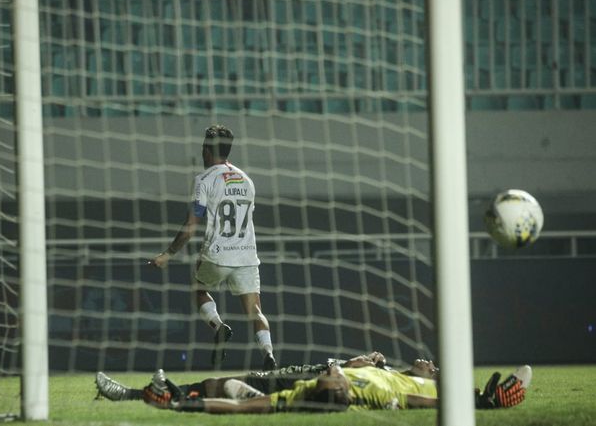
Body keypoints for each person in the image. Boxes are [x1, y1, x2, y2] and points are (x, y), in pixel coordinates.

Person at [149, 124, 276, 370]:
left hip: (218, 255)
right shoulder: (246, 180)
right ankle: (269, 355)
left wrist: (168, 254)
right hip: (247, 256)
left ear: (207, 150)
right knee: (256, 312)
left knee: (199, 289)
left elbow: (192, 223)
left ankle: (218, 326)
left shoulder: (204, 180)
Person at [140, 362, 532, 414]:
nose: (336, 379)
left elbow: (242, 411)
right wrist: (482, 399)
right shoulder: (388, 381)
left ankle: (174, 394)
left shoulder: (305, 393)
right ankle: (175, 393)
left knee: (228, 387)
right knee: (226, 385)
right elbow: (428, 396)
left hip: (285, 388)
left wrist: (176, 406)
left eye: (334, 381)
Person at [95, 351, 389, 402]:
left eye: (435, 369)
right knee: (212, 385)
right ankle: (157, 392)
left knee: (215, 388)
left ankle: (134, 395)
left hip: (291, 387)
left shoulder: (384, 379)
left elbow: (346, 376)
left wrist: (362, 364)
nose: (430, 363)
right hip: (286, 376)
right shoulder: (387, 370)